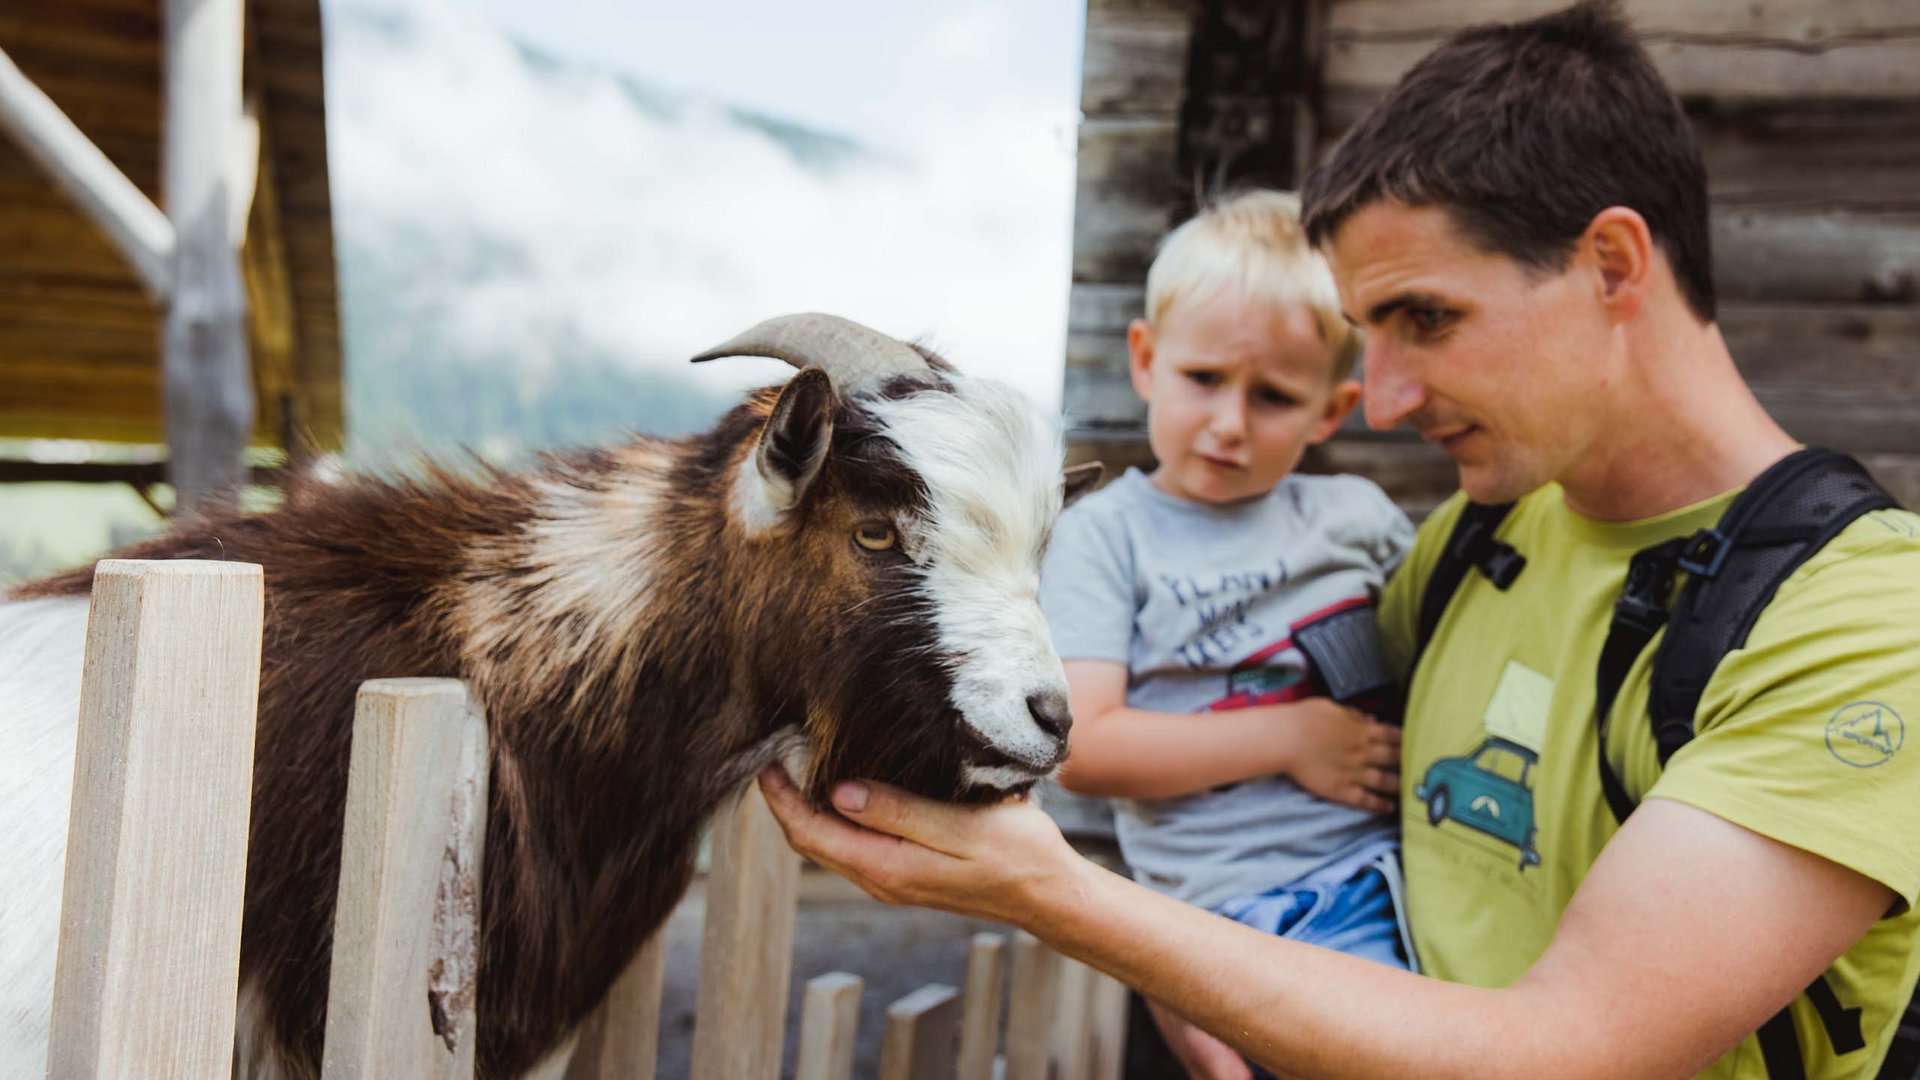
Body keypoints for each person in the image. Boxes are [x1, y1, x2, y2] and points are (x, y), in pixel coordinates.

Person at [759, 4, 1920, 1077]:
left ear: (1612, 263)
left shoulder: (1864, 623)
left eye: (1428, 319)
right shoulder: (1475, 540)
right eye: (1368, 336)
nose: (1385, 400)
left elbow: (1566, 1052)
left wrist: (1071, 905)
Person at [1040, 189, 1413, 1078]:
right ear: (1145, 359)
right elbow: (1085, 744)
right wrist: (1291, 737)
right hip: (1217, 916)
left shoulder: (1354, 517)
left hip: (1387, 881)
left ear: (1331, 410)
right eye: (1203, 379)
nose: (1230, 424)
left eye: (1275, 396)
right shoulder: (1105, 535)